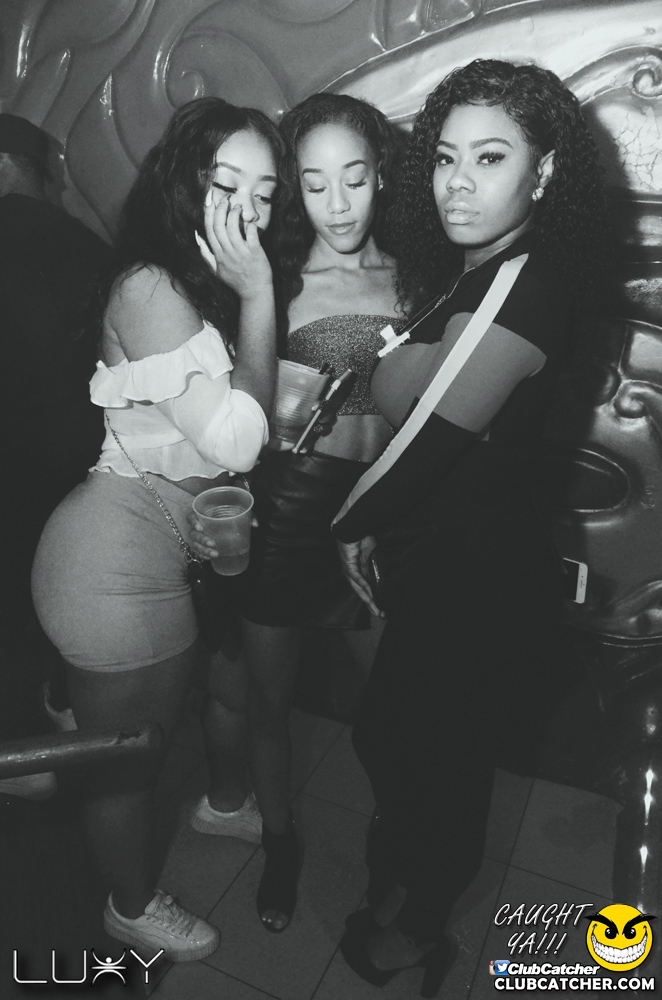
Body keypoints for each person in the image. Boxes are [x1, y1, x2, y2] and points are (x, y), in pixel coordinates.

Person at [330, 59, 611, 994]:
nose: (457, 182)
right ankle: (405, 875)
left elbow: (424, 446)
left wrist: (349, 521)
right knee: (397, 739)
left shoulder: (521, 284)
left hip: (480, 575)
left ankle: (418, 925)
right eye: (446, 157)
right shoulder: (482, 270)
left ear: (543, 172)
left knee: (439, 761)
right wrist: (385, 522)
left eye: (490, 158)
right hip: (448, 556)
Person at [31, 97, 283, 961]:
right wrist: (262, 296)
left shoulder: (194, 286)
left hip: (158, 553)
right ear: (183, 183)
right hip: (111, 563)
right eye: (226, 183)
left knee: (150, 740)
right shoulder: (150, 286)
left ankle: (66, 740)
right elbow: (237, 441)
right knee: (130, 765)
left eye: (265, 192)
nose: (248, 209)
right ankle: (129, 906)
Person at [189, 93, 401, 933]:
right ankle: (279, 842)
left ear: (382, 176)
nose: (337, 204)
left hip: (380, 514)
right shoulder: (267, 284)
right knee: (270, 702)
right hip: (284, 516)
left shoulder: (420, 278)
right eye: (313, 184)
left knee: (394, 703)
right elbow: (232, 420)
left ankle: (397, 833)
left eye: (355, 178)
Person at [0, 113, 110, 797]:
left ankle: (23, 753)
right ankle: (64, 709)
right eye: (50, 173)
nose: (57, 187)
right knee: (57, 595)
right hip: (83, 456)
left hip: (16, 460)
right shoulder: (84, 244)